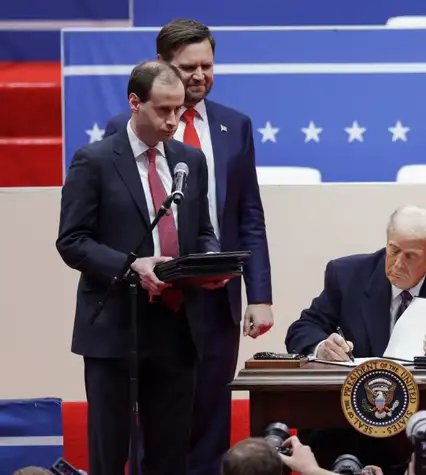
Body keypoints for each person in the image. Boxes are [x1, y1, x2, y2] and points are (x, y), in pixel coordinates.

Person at [105, 19, 274, 475]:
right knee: (156, 419)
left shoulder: (235, 126)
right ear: (161, 65)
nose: (200, 76)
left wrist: (259, 295)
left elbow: (249, 215)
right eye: (187, 67)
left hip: (218, 295)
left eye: (207, 65)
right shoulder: (127, 128)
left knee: (211, 416)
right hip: (155, 297)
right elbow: (116, 217)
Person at [57, 61, 221, 474]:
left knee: (169, 454)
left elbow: (200, 231)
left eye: (179, 111)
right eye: (163, 110)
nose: (173, 121)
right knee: (110, 452)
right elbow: (72, 241)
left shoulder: (189, 161)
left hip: (176, 324)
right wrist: (133, 267)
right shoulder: (93, 160)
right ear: (135, 103)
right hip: (115, 325)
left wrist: (210, 262)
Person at [285, 205, 426, 473]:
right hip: (356, 410)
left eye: (410, 256)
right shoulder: (347, 274)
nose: (397, 264)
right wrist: (322, 347)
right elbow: (304, 327)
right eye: (393, 250)